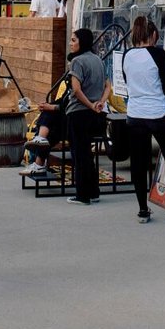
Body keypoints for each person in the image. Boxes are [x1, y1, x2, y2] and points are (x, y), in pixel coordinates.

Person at [121, 16, 165, 222]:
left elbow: (126, 80)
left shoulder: (127, 55)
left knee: (139, 163)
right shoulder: (157, 54)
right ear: (153, 34)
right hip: (158, 112)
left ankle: (142, 209)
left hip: (135, 113)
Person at [64, 27, 107, 206]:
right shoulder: (98, 60)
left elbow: (75, 89)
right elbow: (108, 86)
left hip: (78, 112)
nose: (71, 43)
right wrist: (99, 103)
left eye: (74, 40)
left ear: (82, 42)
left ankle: (83, 194)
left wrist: (89, 104)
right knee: (88, 154)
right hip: (96, 115)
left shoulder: (77, 62)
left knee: (80, 154)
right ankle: (94, 191)